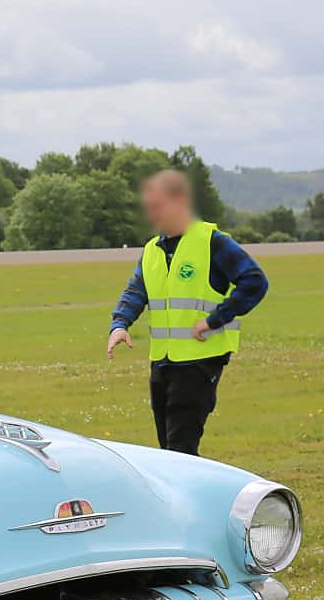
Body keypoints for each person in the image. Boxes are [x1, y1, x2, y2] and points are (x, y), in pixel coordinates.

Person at [105, 169, 269, 455]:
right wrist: (120, 324)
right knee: (169, 450)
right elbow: (136, 291)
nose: (151, 214)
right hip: (163, 361)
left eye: (157, 206)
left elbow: (255, 282)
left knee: (180, 451)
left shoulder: (212, 241)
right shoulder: (152, 250)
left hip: (199, 361)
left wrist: (215, 319)